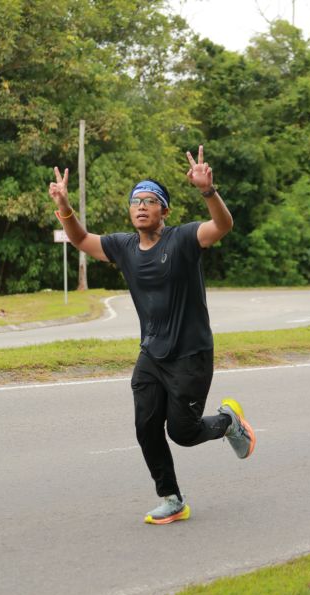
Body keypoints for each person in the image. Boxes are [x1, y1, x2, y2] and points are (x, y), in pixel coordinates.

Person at [48, 145, 256, 525]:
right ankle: (172, 499)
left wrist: (208, 191)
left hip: (190, 354)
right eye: (136, 201)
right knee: (146, 428)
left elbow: (222, 226)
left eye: (150, 201)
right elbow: (81, 239)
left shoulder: (183, 239)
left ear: (165, 211)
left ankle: (229, 421)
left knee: (183, 432)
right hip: (152, 355)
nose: (141, 206)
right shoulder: (124, 247)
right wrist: (64, 206)